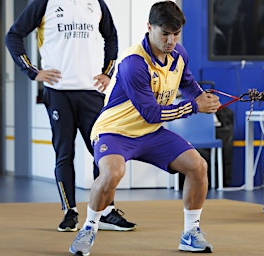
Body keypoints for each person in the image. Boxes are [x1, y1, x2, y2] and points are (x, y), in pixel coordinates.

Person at [69, 1, 220, 254]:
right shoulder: (133, 63)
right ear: (149, 27)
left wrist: (204, 98)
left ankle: (190, 233)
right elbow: (151, 113)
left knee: (198, 166)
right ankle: (88, 229)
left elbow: (188, 84)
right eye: (165, 33)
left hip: (150, 134)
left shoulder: (179, 54)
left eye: (176, 34)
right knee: (112, 174)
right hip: (115, 131)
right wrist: (194, 107)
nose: (171, 40)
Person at [4, 0, 136, 233]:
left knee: (102, 153)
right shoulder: (44, 3)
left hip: (91, 92)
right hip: (58, 92)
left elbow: (111, 37)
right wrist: (33, 72)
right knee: (64, 153)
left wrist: (107, 72)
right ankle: (70, 212)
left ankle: (105, 211)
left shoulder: (96, 3)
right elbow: (13, 36)